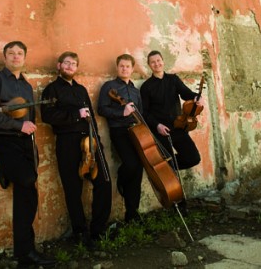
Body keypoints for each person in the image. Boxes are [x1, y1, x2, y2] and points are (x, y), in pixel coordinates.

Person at [0, 41, 55, 268]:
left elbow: (29, 117)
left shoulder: (27, 87)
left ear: (24, 58)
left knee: (28, 191)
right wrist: (17, 126)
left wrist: (29, 126)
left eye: (19, 53)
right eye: (10, 53)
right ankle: (25, 252)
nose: (15, 57)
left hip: (24, 143)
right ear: (4, 58)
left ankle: (25, 251)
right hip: (3, 140)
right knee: (27, 180)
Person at [40, 51, 112, 247]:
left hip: (89, 141)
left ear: (76, 68)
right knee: (73, 188)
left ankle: (98, 229)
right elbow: (47, 115)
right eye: (67, 63)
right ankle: (80, 232)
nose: (70, 66)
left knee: (104, 181)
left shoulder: (81, 90)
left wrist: (96, 140)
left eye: (74, 64)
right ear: (59, 66)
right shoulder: (51, 90)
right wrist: (75, 114)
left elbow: (91, 118)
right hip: (67, 142)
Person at [98, 54, 144, 223]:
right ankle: (121, 177)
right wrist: (121, 112)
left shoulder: (135, 91)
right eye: (121, 66)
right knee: (131, 164)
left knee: (138, 169)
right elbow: (101, 109)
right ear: (117, 68)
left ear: (132, 69)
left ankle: (132, 213)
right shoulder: (109, 87)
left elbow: (141, 113)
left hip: (137, 132)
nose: (124, 69)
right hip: (119, 131)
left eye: (127, 66)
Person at [140, 50, 202, 177]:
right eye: (153, 62)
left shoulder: (173, 79)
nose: (156, 64)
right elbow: (144, 113)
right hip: (161, 131)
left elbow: (186, 93)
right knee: (168, 170)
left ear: (163, 61)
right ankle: (167, 172)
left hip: (178, 126)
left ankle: (165, 166)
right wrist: (157, 125)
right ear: (149, 65)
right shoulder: (146, 87)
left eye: (158, 61)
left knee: (193, 158)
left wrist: (197, 97)